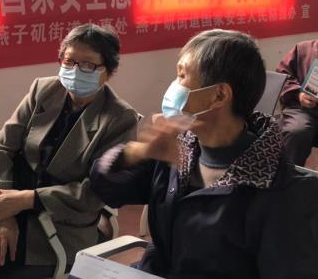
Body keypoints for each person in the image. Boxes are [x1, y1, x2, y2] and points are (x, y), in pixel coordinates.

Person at [90, 29, 318, 279]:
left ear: (219, 95)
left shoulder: (283, 193)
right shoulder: (177, 149)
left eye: (182, 76)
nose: (173, 86)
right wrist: (137, 152)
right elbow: (107, 189)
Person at [0, 23, 139, 279]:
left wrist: (29, 199)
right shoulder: (44, 90)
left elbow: (95, 193)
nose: (75, 71)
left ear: (108, 70)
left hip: (60, 219)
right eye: (69, 61)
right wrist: (3, 215)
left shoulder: (119, 118)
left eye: (88, 65)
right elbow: (1, 149)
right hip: (6, 194)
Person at [276, 40, 318, 166]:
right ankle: (287, 174)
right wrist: (298, 94)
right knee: (296, 130)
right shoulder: (302, 49)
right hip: (302, 108)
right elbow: (283, 76)